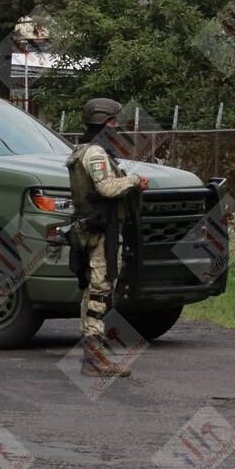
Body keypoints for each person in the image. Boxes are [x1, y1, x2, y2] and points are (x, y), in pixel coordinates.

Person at [66, 98, 149, 378]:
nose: (116, 127)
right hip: (99, 230)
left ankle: (95, 353)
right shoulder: (96, 154)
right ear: (102, 123)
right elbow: (107, 188)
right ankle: (93, 357)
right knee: (99, 291)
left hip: (96, 228)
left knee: (95, 290)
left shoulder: (84, 151)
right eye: (113, 122)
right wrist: (135, 181)